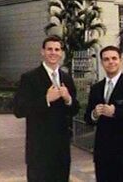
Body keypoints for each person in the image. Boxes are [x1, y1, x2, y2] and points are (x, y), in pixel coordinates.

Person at [13, 35, 80, 182]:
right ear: (42, 52)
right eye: (49, 49)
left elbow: (75, 109)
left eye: (57, 49)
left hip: (61, 149)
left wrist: (68, 99)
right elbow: (19, 110)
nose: (53, 52)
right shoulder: (29, 78)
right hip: (39, 148)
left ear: (61, 53)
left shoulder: (66, 78)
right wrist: (46, 100)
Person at [84, 45, 123, 182]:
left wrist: (116, 112)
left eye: (114, 58)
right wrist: (94, 114)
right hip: (103, 154)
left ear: (120, 60)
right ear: (102, 63)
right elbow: (87, 118)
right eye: (106, 59)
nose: (110, 62)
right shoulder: (96, 88)